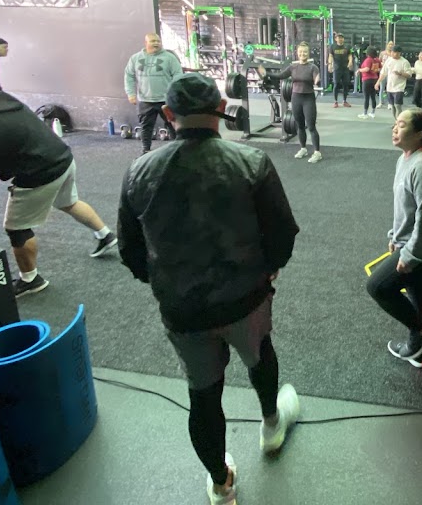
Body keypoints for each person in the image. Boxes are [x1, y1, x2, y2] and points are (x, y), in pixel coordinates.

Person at [118, 73, 301, 505]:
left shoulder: (140, 171)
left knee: (203, 395)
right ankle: (271, 425)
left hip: (183, 311)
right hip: (246, 298)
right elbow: (282, 231)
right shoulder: (252, 162)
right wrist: (270, 269)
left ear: (168, 114)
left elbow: (130, 249)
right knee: (261, 355)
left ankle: (221, 485)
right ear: (221, 107)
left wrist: (164, 283)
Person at [0, 72, 118, 296]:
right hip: (62, 159)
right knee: (68, 202)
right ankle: (105, 234)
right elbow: (14, 138)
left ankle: (30, 279)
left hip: (39, 174)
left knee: (16, 228)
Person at [366, 108, 422, 368]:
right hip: (413, 243)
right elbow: (405, 209)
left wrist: (411, 255)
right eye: (395, 123)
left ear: (419, 134)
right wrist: (395, 236)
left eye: (401, 125)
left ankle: (421, 332)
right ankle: (418, 352)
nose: (394, 129)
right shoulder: (406, 159)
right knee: (416, 290)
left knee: (378, 287)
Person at [124, 33, 184, 156]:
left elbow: (178, 75)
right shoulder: (136, 58)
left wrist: (175, 93)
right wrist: (131, 93)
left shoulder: (169, 58)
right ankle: (145, 151)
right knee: (146, 127)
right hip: (145, 100)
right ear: (146, 43)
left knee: (173, 126)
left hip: (166, 99)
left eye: (158, 41)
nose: (156, 43)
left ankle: (177, 150)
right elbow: (129, 76)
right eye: (153, 41)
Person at [272, 43, 322, 163]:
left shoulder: (313, 67)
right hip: (296, 98)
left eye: (305, 52)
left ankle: (317, 152)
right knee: (299, 126)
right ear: (297, 53)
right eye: (300, 52)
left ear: (308, 53)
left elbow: (317, 80)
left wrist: (317, 81)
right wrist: (266, 74)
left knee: (311, 126)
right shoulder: (292, 67)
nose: (302, 54)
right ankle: (303, 148)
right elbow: (280, 75)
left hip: (308, 98)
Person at [376, 45, 412, 121]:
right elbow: (383, 73)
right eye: (392, 52)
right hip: (390, 86)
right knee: (392, 106)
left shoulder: (404, 62)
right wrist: (378, 82)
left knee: (397, 105)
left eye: (395, 52)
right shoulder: (389, 60)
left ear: (399, 53)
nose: (393, 54)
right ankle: (396, 121)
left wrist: (400, 73)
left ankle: (399, 121)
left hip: (399, 87)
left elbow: (409, 75)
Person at [328, 33, 353, 108]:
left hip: (345, 68)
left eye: (341, 38)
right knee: (336, 84)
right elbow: (330, 56)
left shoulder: (347, 46)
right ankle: (335, 101)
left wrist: (350, 61)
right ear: (336, 39)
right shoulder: (333, 47)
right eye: (338, 38)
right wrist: (330, 64)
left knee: (346, 85)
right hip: (337, 68)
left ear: (343, 39)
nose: (340, 39)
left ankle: (344, 101)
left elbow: (350, 55)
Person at [357, 47, 381, 119]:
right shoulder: (377, 60)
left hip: (367, 79)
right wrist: (374, 70)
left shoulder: (368, 60)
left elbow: (367, 69)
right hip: (375, 79)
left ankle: (365, 113)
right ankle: (373, 112)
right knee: (373, 96)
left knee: (366, 97)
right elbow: (380, 68)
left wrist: (359, 70)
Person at [378, 40, 395, 108]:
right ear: (387, 45)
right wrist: (380, 65)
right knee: (381, 88)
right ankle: (380, 102)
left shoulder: (393, 54)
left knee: (389, 88)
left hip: (390, 73)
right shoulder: (382, 53)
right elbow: (379, 61)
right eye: (389, 44)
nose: (391, 46)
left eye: (392, 44)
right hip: (383, 72)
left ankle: (390, 103)